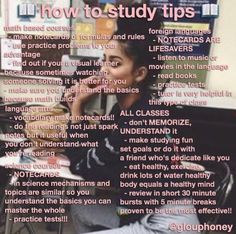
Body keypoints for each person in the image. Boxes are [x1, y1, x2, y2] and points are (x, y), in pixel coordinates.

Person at [65, 4, 200, 234]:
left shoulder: (139, 121)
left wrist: (77, 110)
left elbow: (83, 166)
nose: (103, 70)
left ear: (139, 73)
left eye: (115, 63)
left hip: (168, 225)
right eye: (104, 60)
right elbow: (94, 142)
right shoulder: (125, 110)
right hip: (143, 212)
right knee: (80, 209)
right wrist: (78, 108)